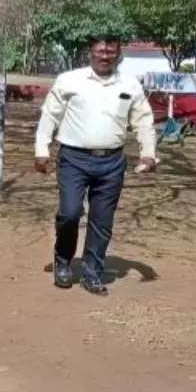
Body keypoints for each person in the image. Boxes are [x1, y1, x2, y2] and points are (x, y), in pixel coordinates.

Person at [34, 34, 157, 296]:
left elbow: (143, 120)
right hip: (74, 159)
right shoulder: (70, 80)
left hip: (112, 162)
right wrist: (41, 149)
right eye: (100, 51)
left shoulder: (130, 84)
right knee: (69, 213)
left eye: (111, 52)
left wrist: (148, 153)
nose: (105, 56)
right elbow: (49, 115)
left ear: (118, 55)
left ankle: (92, 273)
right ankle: (63, 260)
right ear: (89, 52)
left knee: (102, 220)